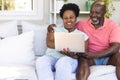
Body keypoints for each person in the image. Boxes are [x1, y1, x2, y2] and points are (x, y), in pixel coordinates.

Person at [36, 3, 88, 80]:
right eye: (65, 18)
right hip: (51, 57)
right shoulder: (54, 29)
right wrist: (61, 47)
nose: (68, 20)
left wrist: (71, 54)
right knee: (41, 61)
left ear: (76, 18)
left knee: (63, 62)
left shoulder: (82, 35)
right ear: (62, 19)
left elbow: (83, 53)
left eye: (71, 17)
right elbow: (49, 43)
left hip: (69, 60)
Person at [76, 0, 120, 80]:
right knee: (82, 59)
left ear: (104, 12)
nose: (93, 15)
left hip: (108, 58)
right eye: (91, 12)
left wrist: (94, 55)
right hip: (90, 59)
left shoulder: (113, 26)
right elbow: (68, 28)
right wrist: (53, 27)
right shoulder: (81, 24)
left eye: (97, 13)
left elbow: (115, 47)